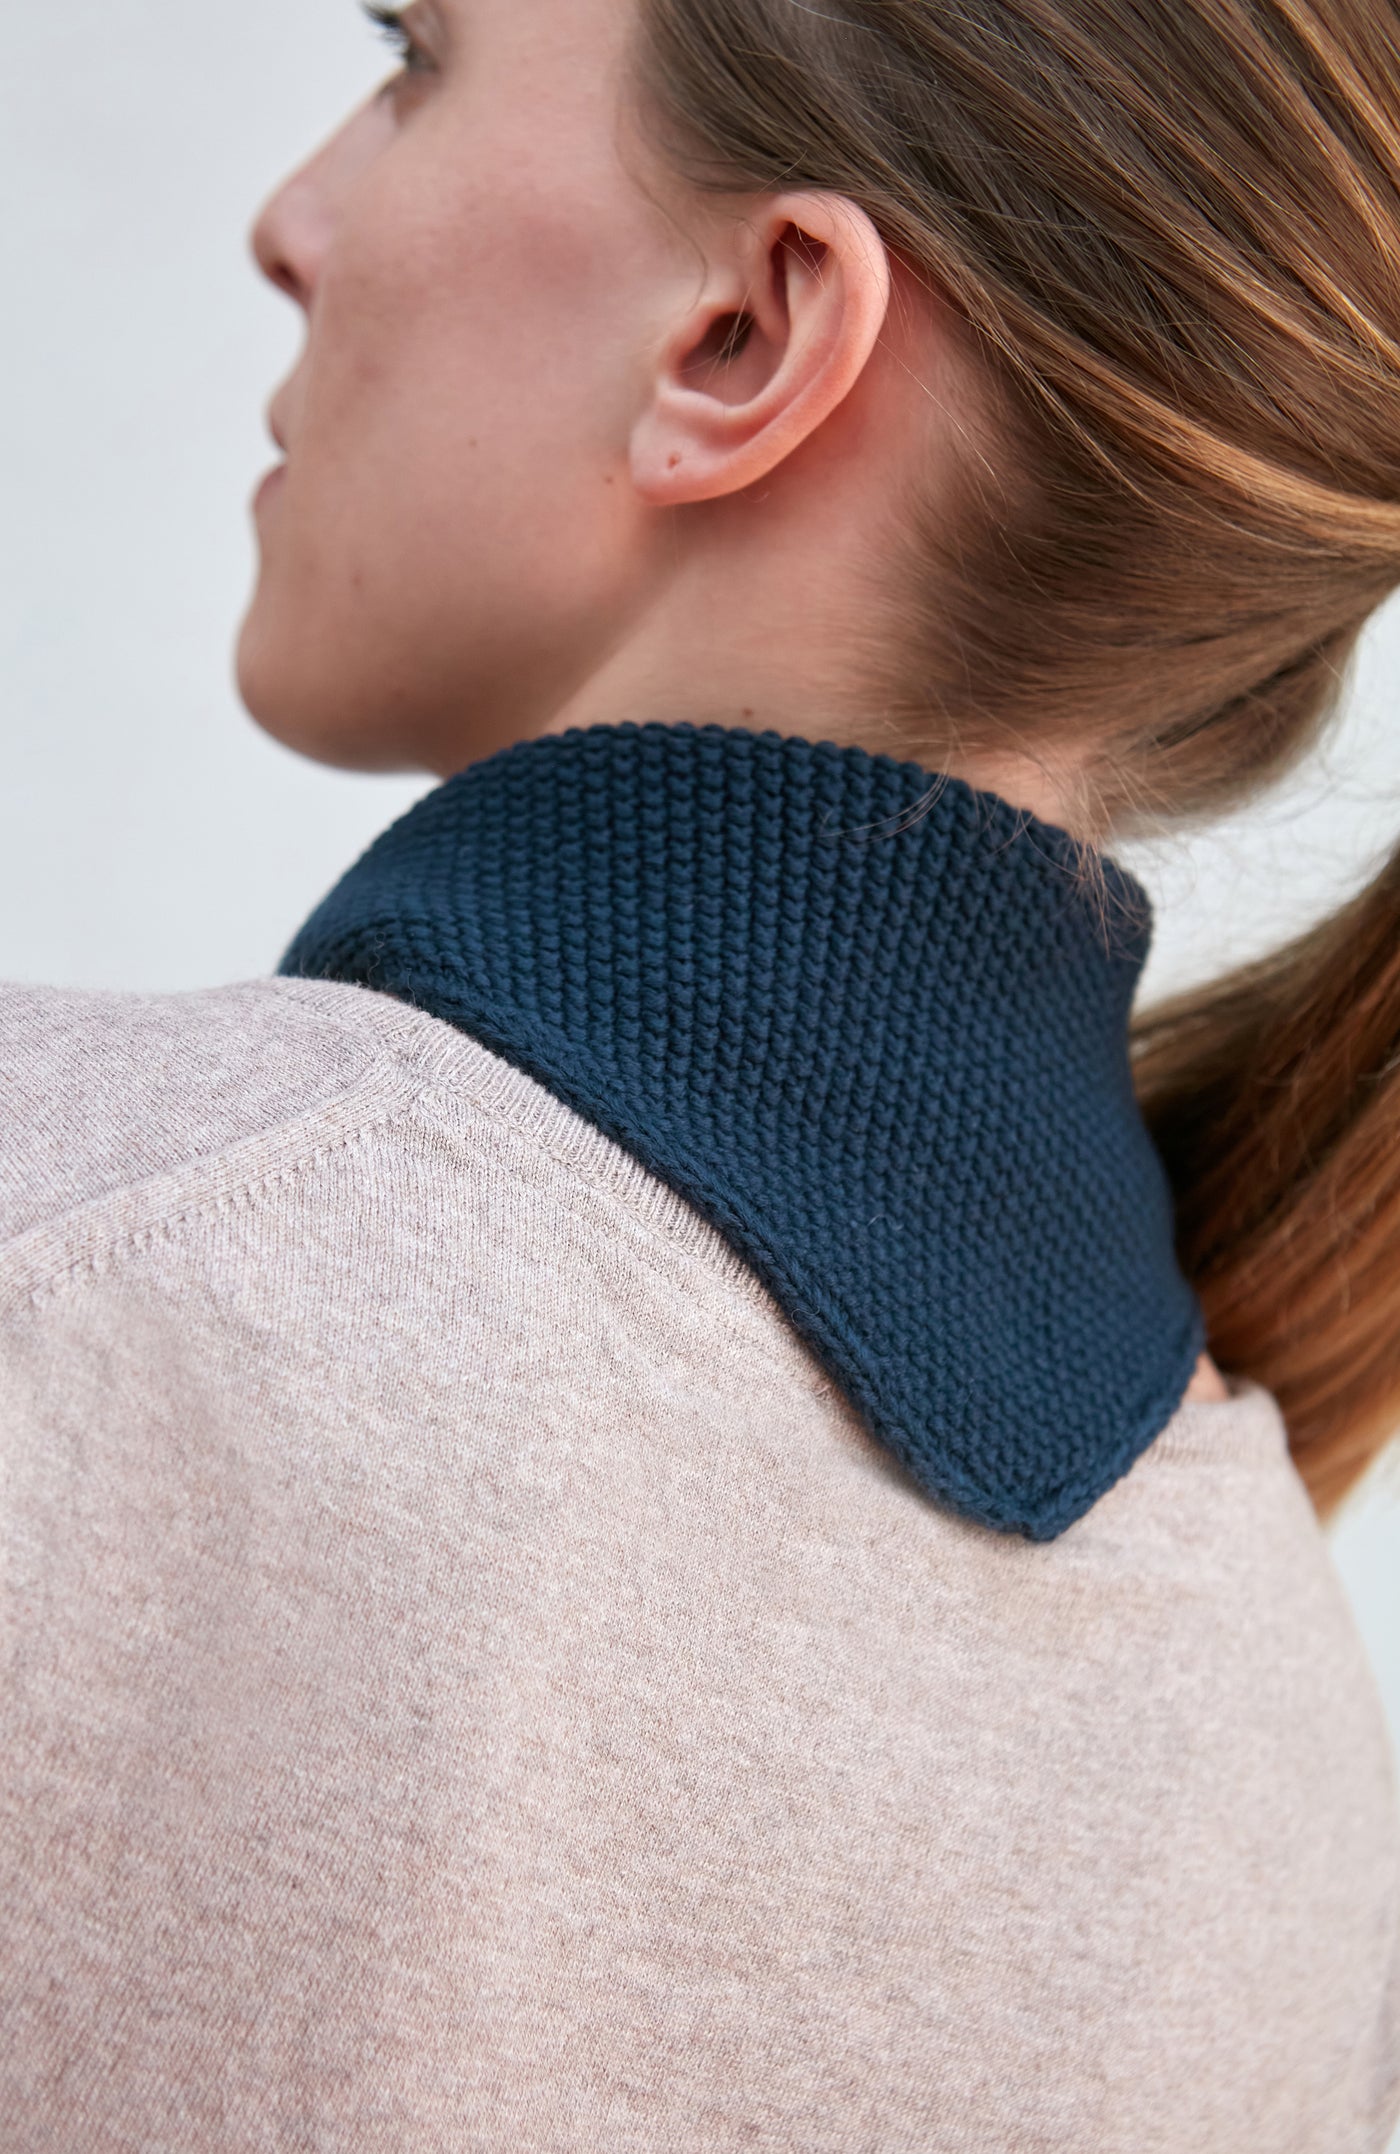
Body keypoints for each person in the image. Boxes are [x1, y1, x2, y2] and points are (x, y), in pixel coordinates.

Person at [3, 0, 1399, 2142]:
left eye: (417, 60)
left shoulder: (72, 1258)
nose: (294, 221)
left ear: (741, 338)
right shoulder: (1292, 1742)